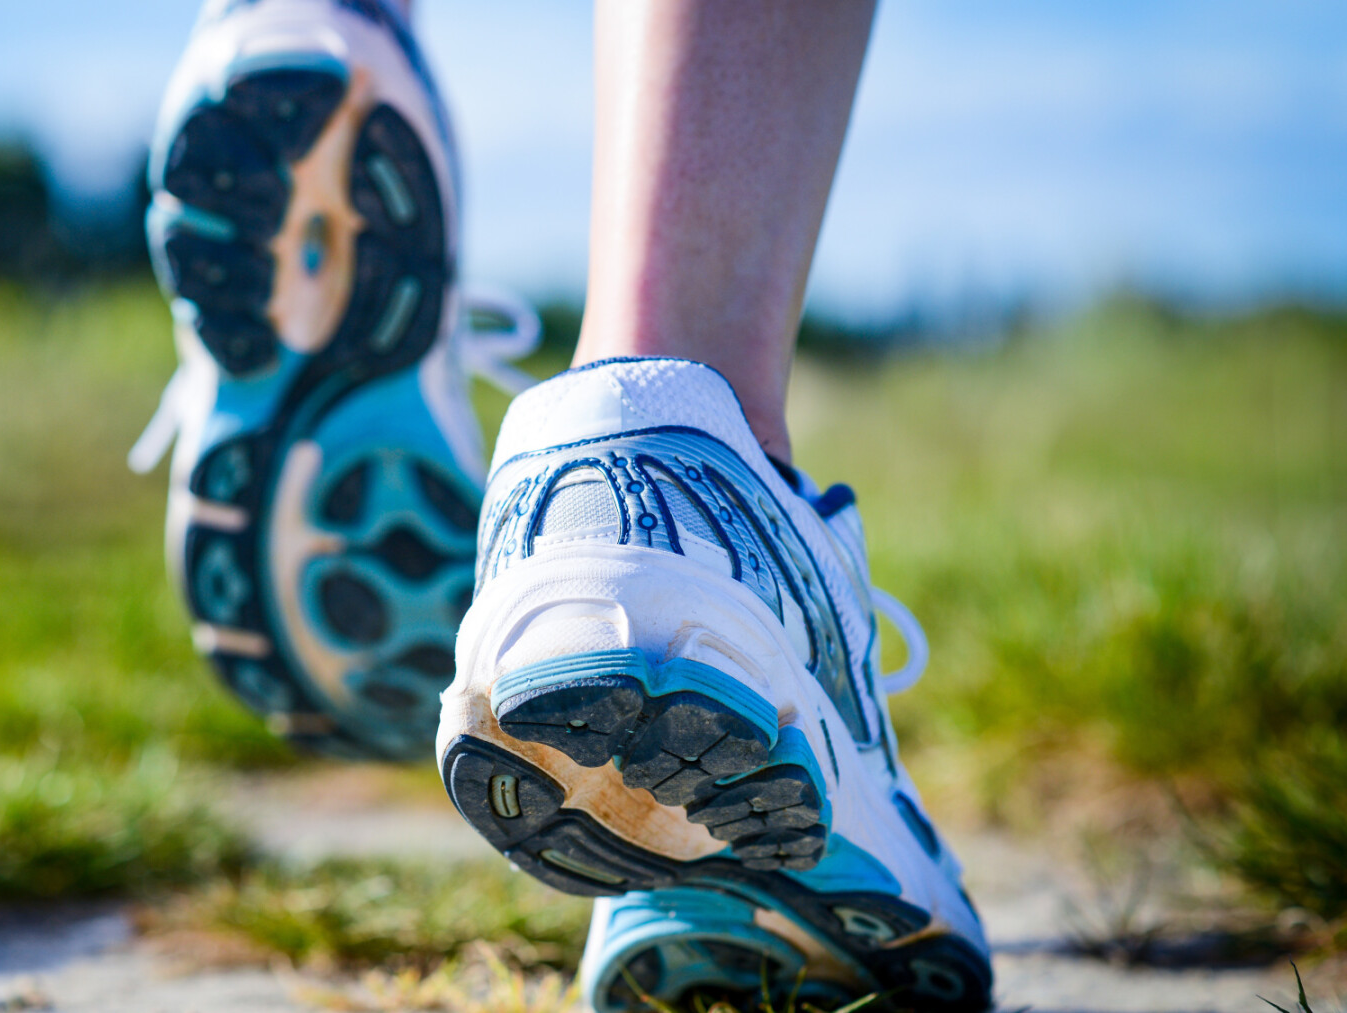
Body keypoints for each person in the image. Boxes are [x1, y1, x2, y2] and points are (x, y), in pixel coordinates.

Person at [131, 0, 993, 1008]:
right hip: (669, 498)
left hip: (548, 507)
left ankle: (314, 11)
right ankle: (680, 464)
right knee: (675, 405)